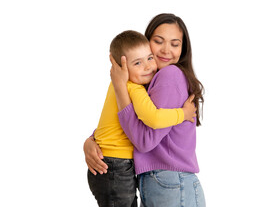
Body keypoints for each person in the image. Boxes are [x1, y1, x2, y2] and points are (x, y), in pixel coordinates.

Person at [87, 30, 197, 207]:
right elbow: (152, 118)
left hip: (120, 166)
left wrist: (92, 140)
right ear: (121, 67)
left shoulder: (124, 84)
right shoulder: (133, 87)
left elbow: (136, 129)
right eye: (137, 62)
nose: (147, 66)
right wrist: (182, 114)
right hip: (115, 165)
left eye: (149, 59)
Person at [109, 13, 206, 206]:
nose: (166, 50)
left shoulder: (169, 75)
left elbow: (145, 141)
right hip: (167, 183)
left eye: (175, 44)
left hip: (170, 183)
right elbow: (128, 126)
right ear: (147, 42)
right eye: (158, 41)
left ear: (183, 49)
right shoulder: (148, 81)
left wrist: (120, 89)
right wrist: (93, 141)